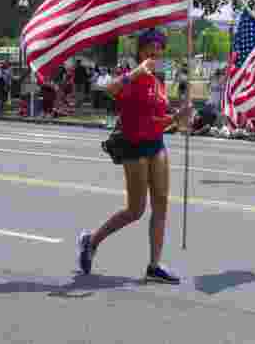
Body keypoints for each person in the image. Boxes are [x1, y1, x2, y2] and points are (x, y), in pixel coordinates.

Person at [77, 28, 191, 284]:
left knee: (161, 204)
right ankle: (91, 240)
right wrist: (137, 71)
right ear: (140, 51)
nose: (155, 51)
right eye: (150, 47)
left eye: (159, 47)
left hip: (156, 145)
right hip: (133, 146)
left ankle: (154, 265)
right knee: (136, 209)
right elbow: (109, 90)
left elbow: (157, 121)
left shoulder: (158, 83)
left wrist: (178, 117)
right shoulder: (132, 77)